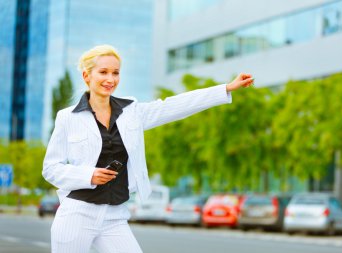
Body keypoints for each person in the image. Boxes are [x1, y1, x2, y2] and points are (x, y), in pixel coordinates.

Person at [42, 44, 254, 253]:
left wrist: (225, 88)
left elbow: (174, 105)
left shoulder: (131, 111)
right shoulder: (67, 118)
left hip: (114, 216)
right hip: (77, 214)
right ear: (86, 76)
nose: (111, 79)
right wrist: (89, 176)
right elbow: (50, 168)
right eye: (103, 72)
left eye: (116, 73)